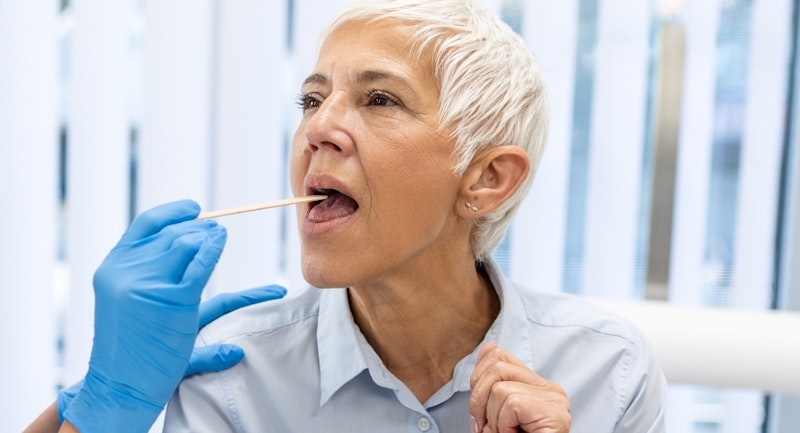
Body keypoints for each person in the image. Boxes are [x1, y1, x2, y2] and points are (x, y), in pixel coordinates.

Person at [28, 0, 667, 432]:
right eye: (312, 98)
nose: (319, 128)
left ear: (486, 178)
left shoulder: (607, 374)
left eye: (379, 98)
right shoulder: (230, 379)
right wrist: (104, 403)